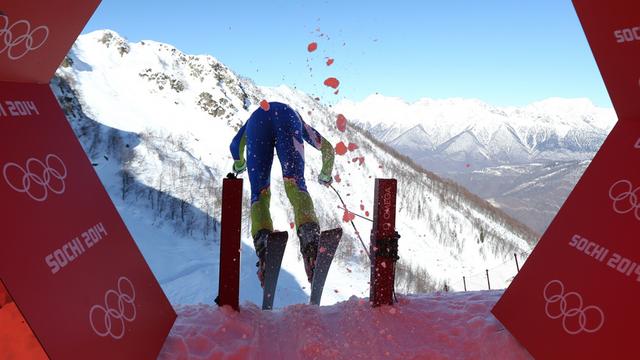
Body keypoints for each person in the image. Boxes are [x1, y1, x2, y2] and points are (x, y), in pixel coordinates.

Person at [229, 102, 334, 286]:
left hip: (256, 126)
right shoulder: (295, 116)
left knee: (259, 194)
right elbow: (328, 149)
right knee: (296, 185)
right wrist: (325, 174)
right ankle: (311, 243)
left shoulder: (253, 117)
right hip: (289, 121)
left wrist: (239, 164)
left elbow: (235, 145)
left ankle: (264, 247)